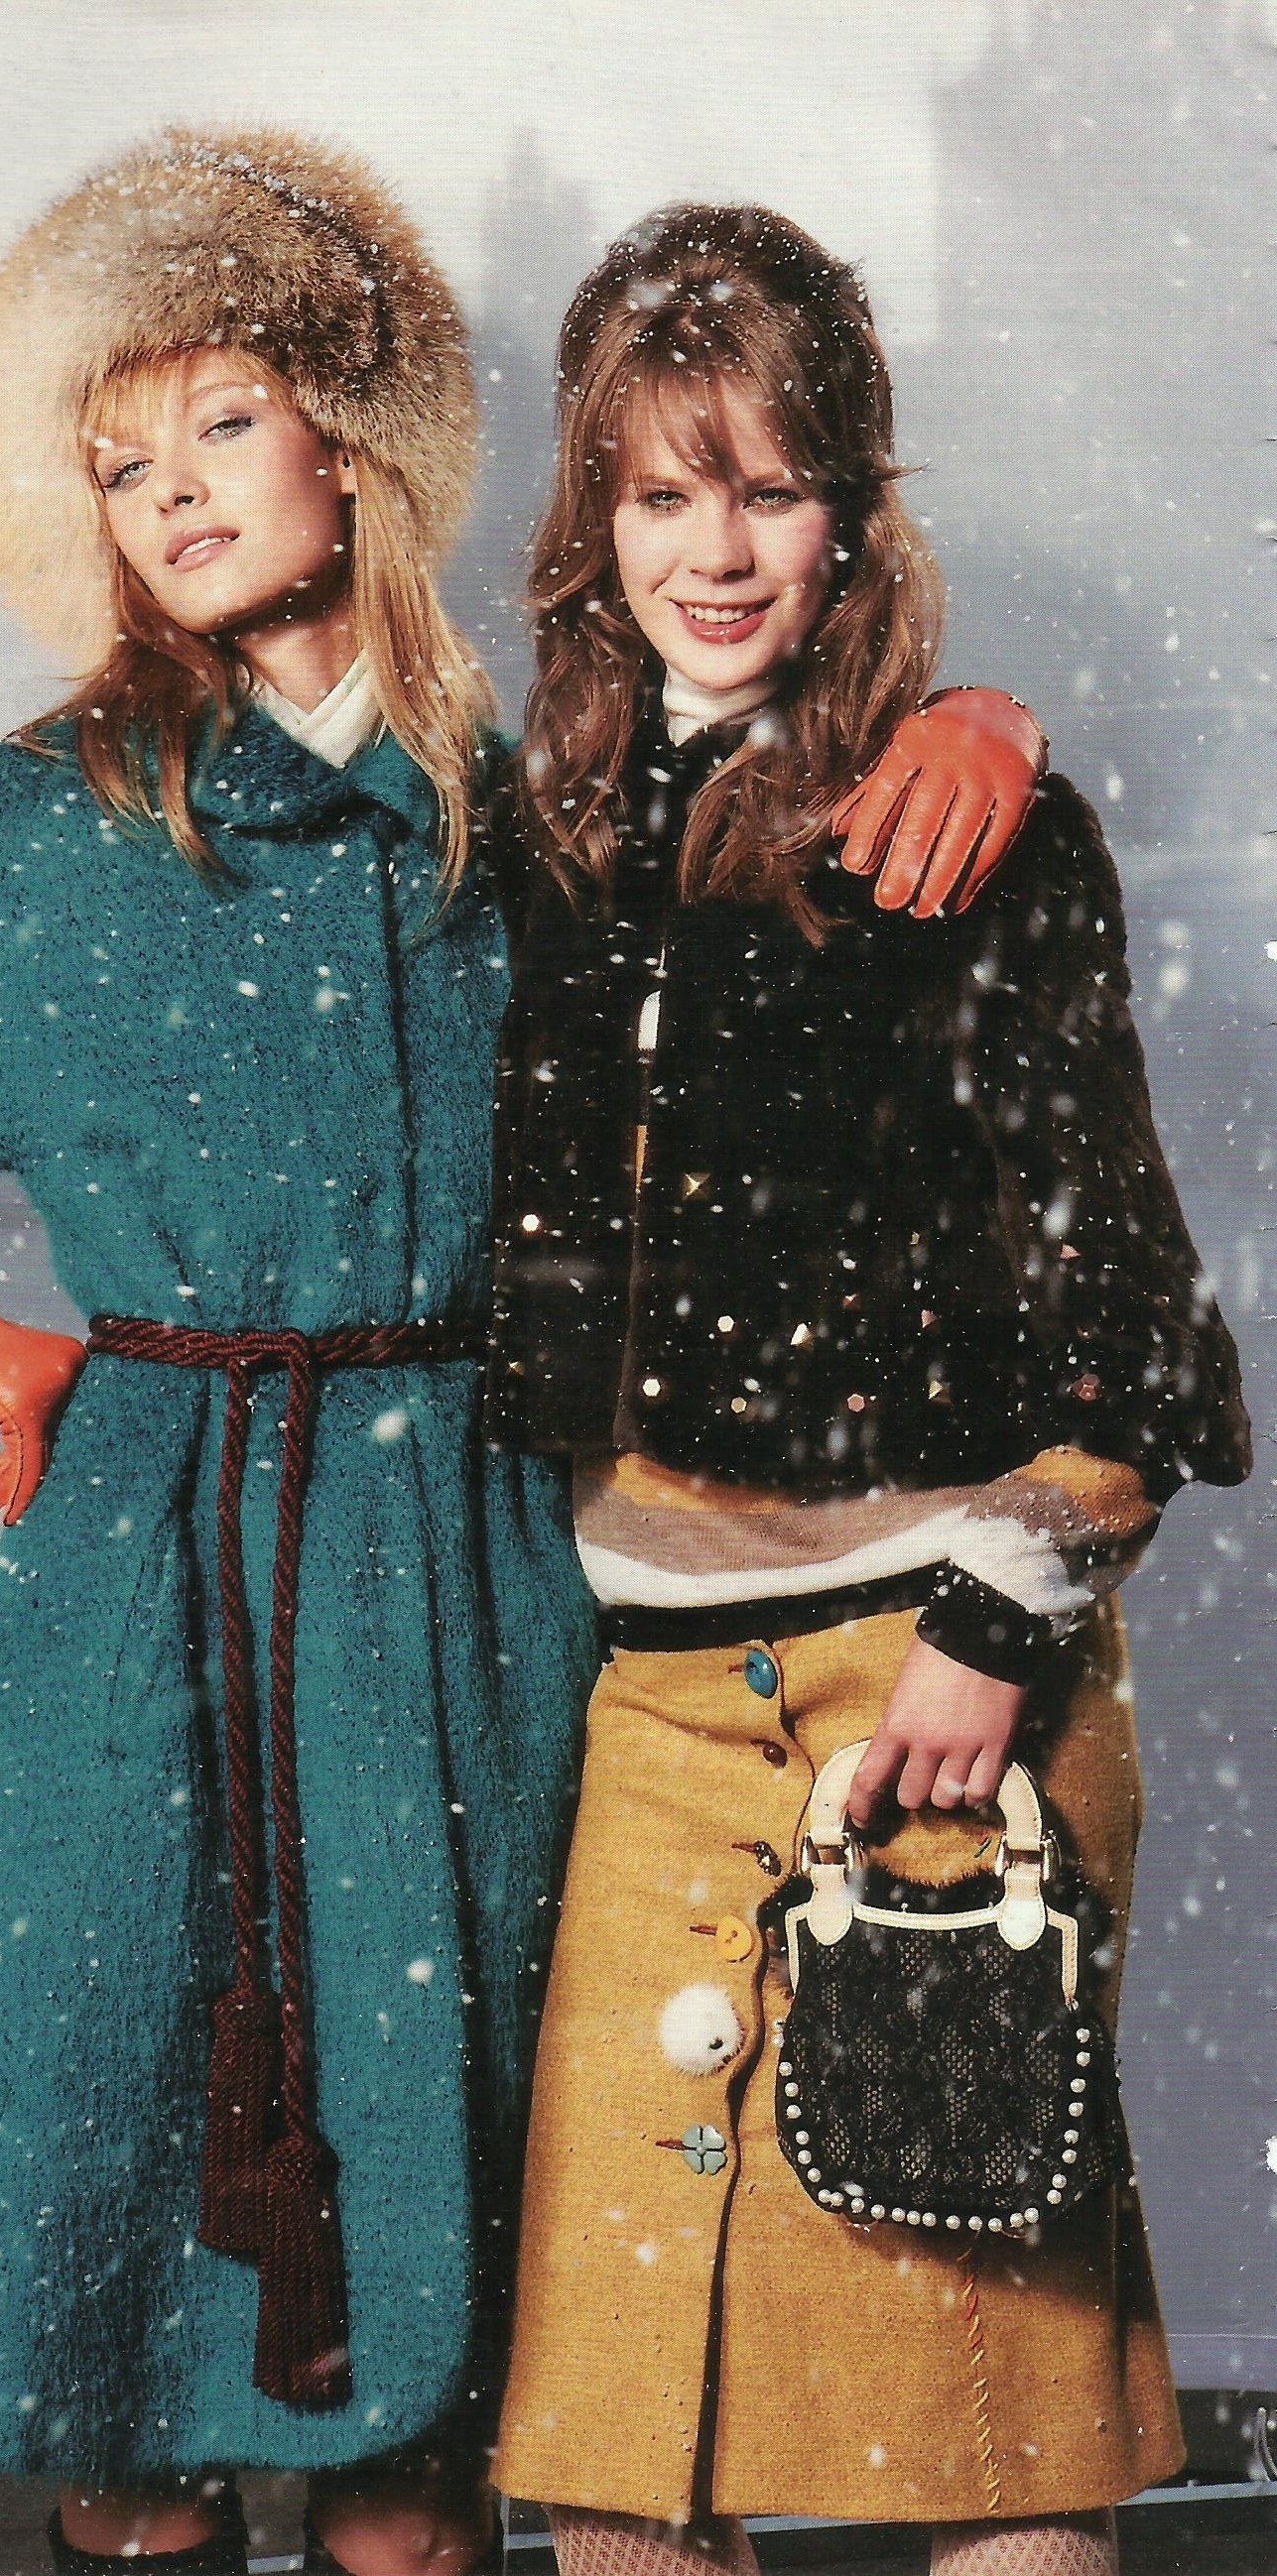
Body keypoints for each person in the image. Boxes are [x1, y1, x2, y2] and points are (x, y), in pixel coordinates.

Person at [0, 138, 1045, 2576]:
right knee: (122, 2309)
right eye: (117, 465)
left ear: (349, 443)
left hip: (474, 1564)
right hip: (148, 1582)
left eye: (220, 427)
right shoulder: (52, 824)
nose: (168, 495)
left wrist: (970, 714)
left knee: (437, 2366)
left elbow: (775, 838)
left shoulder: (538, 806)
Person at [484, 205, 1250, 2576]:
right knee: (616, 2438)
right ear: (592, 521)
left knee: (980, 2419)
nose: (714, 554)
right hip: (650, 1700)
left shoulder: (967, 828)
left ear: (849, 513)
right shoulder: (547, 833)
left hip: (933, 1681)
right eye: (660, 493)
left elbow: (1129, 1315)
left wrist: (994, 1630)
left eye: (769, 489)